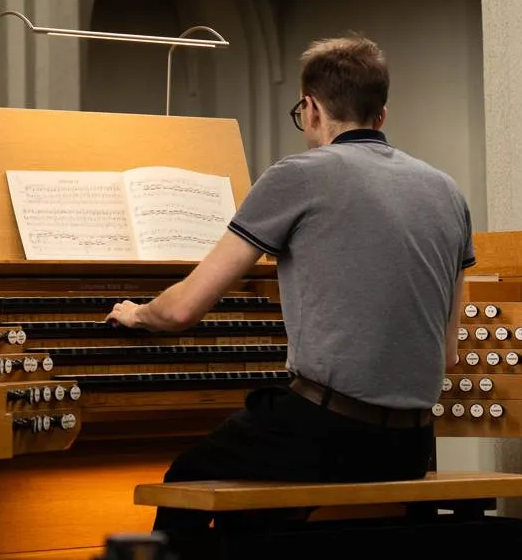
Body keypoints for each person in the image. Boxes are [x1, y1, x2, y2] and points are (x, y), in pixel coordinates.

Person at [104, 34, 476, 536]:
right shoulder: (447, 191)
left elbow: (181, 311)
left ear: (311, 108)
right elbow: (449, 353)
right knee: (257, 515)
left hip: (327, 433)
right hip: (410, 445)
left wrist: (135, 313)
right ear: (381, 115)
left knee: (186, 476)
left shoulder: (300, 174)